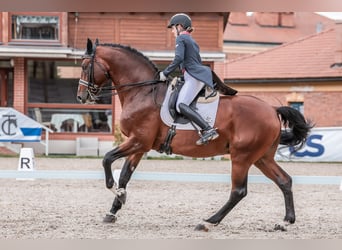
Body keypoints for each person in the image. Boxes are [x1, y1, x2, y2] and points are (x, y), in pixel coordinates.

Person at [159, 13, 219, 145]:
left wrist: (166, 72)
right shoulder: (191, 40)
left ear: (180, 26)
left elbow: (179, 58)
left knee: (181, 105)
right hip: (194, 75)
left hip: (193, 76)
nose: (173, 32)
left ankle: (208, 129)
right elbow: (195, 61)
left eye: (173, 29)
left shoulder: (181, 39)